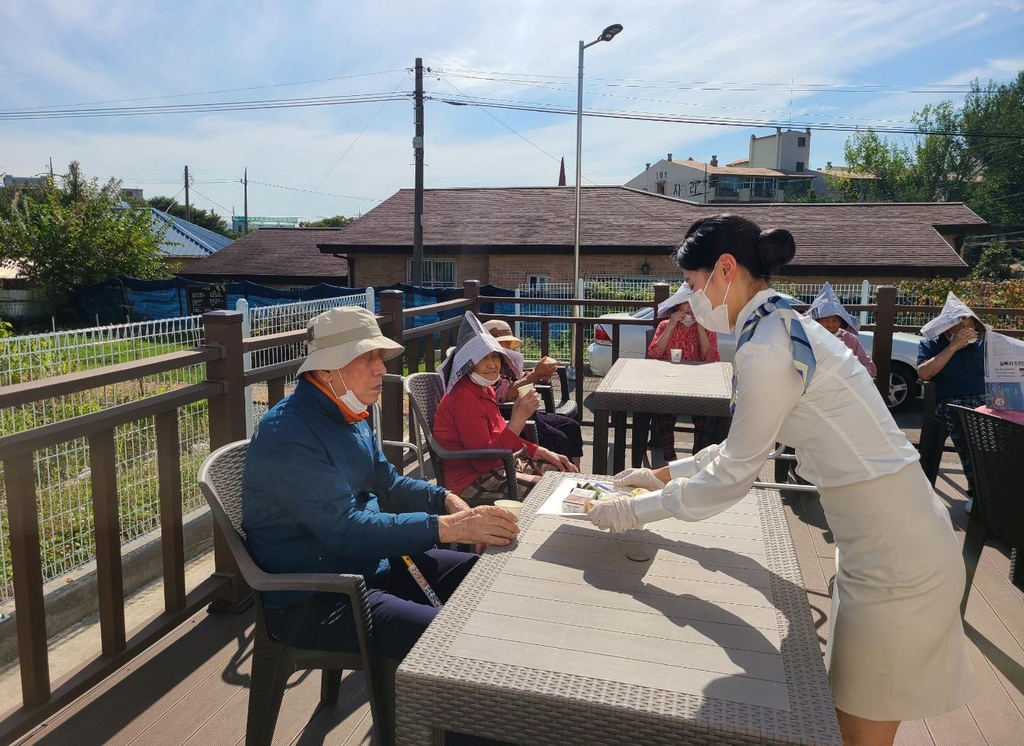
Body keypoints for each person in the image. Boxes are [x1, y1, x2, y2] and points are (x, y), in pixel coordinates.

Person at [590, 215, 976, 746]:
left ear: (726, 269)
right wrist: (659, 475)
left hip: (896, 564)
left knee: (855, 733)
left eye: (694, 283)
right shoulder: (778, 324)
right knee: (843, 719)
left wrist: (633, 512)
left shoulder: (768, 346)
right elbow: (739, 448)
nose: (692, 297)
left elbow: (731, 477)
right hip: (887, 542)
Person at [242, 306, 519, 663]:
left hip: (371, 563)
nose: (382, 368)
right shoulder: (289, 435)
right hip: (317, 595)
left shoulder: (348, 410)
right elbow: (345, 530)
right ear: (326, 368)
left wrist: (444, 498)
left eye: (380, 356)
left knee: (491, 578)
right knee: (458, 642)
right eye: (367, 356)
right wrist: (448, 528)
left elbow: (386, 483)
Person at [434, 312, 578, 504]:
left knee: (564, 475)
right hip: (469, 481)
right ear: (468, 363)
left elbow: (499, 437)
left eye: (496, 357)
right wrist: (518, 418)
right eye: (483, 358)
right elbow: (482, 462)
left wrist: (543, 452)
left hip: (500, 464)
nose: (493, 364)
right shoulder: (464, 397)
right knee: (554, 491)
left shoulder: (484, 388)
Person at [483, 318, 584, 467]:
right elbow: (506, 392)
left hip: (529, 412)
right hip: (509, 416)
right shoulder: (485, 367)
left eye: (508, 345)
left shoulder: (507, 362)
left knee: (571, 426)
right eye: (501, 345)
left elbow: (517, 381)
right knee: (559, 439)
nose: (507, 348)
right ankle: (566, 478)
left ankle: (577, 476)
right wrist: (535, 375)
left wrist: (538, 376)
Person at [916, 291, 986, 502]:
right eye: (960, 325)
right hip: (950, 402)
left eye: (969, 324)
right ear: (948, 326)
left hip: (986, 399)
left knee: (1009, 429)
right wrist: (954, 346)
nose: (966, 329)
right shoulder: (932, 344)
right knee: (965, 428)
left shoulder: (984, 343)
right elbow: (924, 373)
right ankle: (977, 491)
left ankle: (1003, 487)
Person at [645, 282, 721, 459]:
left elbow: (712, 360)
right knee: (663, 408)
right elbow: (654, 353)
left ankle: (698, 457)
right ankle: (669, 455)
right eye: (686, 303)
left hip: (698, 384)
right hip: (670, 381)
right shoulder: (665, 325)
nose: (690, 309)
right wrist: (671, 325)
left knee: (707, 413)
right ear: (678, 306)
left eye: (695, 304)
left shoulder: (707, 328)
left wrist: (701, 330)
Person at [808, 282, 877, 378]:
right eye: (826, 320)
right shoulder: (808, 336)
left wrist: (855, 374)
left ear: (842, 322)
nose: (831, 324)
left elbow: (869, 366)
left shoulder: (850, 339)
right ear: (817, 321)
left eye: (835, 320)